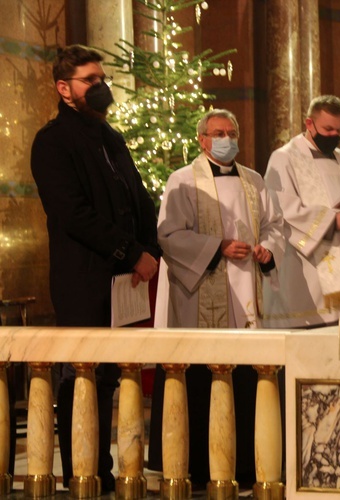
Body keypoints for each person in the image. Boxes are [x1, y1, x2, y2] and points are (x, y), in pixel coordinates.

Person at [30, 44, 160, 492]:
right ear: (65, 89)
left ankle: (108, 468)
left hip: (124, 276)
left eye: (102, 78)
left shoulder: (111, 137)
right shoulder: (52, 141)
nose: (100, 86)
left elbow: (137, 199)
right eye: (90, 80)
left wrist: (150, 249)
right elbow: (74, 214)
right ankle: (81, 471)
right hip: (83, 276)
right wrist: (130, 251)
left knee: (113, 373)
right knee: (82, 371)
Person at [148, 108, 285, 487]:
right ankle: (197, 467)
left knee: (245, 378)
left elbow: (276, 226)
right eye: (219, 133)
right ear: (202, 140)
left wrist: (268, 250)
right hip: (199, 297)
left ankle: (245, 467)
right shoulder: (182, 180)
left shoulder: (254, 181)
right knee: (201, 380)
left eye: (232, 132)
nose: (227, 140)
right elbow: (169, 237)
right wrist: (216, 247)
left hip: (248, 295)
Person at [263, 95, 340, 328]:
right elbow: (281, 211)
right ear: (309, 124)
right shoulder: (284, 158)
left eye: (339, 131)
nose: (334, 136)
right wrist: (332, 222)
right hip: (308, 275)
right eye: (328, 129)